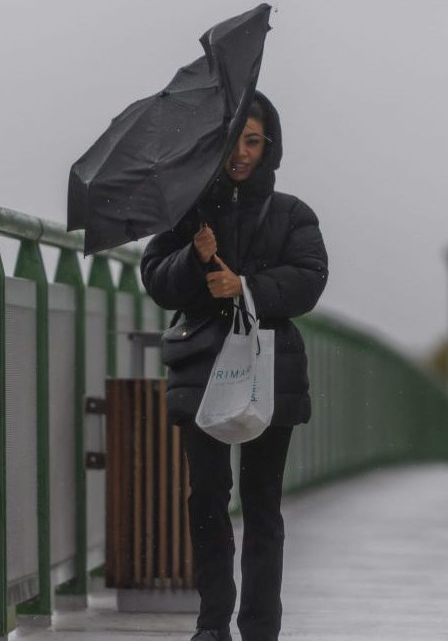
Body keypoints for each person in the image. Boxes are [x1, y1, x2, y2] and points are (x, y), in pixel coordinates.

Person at [140, 92, 328, 641]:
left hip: (271, 368)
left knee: (264, 503)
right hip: (202, 366)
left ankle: (261, 629)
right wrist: (195, 259)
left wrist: (244, 287)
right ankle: (211, 625)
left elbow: (309, 279)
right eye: (233, 141)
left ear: (269, 145)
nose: (241, 154)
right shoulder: (190, 208)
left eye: (252, 141)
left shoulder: (293, 213)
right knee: (207, 497)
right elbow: (155, 278)